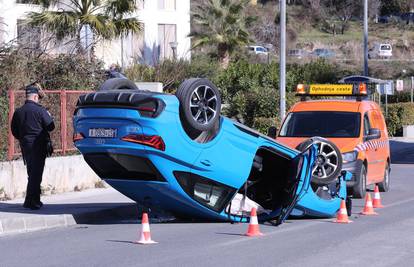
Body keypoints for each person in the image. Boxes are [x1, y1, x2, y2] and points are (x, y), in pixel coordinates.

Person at [11, 84, 55, 210]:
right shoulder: (40, 111)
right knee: (36, 174)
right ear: (35, 97)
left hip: (25, 145)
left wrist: (23, 138)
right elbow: (51, 127)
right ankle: (30, 201)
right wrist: (49, 116)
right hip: (38, 145)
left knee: (32, 173)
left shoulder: (18, 112)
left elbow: (14, 130)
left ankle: (34, 199)